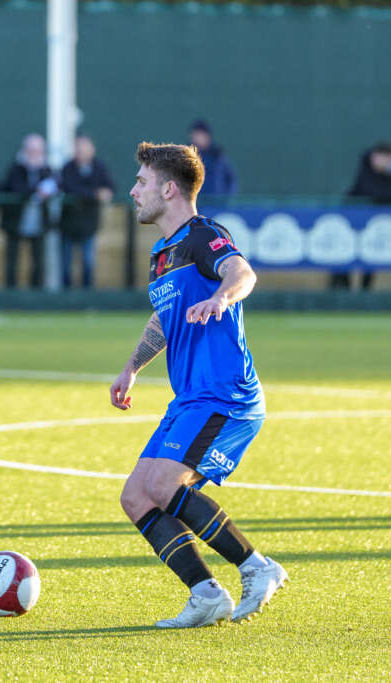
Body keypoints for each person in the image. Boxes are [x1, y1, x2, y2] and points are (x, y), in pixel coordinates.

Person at [113, 142, 286, 629]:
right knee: (136, 497)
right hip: (190, 398)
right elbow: (164, 319)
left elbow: (241, 272)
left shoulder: (203, 235)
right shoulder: (162, 255)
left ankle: (257, 567)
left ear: (169, 189)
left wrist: (222, 299)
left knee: (164, 485)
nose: (133, 191)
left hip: (225, 395)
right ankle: (206, 594)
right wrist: (132, 367)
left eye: (142, 182)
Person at [338, 142, 391, 290]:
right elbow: (370, 190)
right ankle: (346, 291)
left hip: (385, 228)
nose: (383, 161)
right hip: (357, 227)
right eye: (380, 157)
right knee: (345, 260)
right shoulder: (365, 172)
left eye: (387, 157)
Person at [0, 133, 57, 289]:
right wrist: (37, 191)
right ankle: (11, 291)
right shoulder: (15, 169)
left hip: (39, 223)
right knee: (12, 259)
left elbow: (56, 185)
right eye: (31, 150)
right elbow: (16, 188)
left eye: (38, 150)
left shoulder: (46, 170)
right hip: (15, 222)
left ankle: (36, 291)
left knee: (38, 260)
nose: (34, 154)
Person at [59, 134, 114, 288]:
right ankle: (66, 296)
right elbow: (70, 188)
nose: (80, 152)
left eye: (84, 148)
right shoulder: (67, 167)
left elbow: (110, 187)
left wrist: (104, 192)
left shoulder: (99, 167)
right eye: (78, 148)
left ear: (92, 150)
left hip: (89, 224)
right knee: (66, 266)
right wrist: (95, 194)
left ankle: (87, 295)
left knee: (88, 263)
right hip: (68, 224)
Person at [188, 120, 238, 197]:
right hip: (195, 202)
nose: (199, 138)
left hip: (216, 202)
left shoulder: (218, 156)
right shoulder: (186, 157)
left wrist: (226, 197)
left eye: (201, 135)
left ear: (208, 136)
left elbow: (231, 180)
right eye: (196, 135)